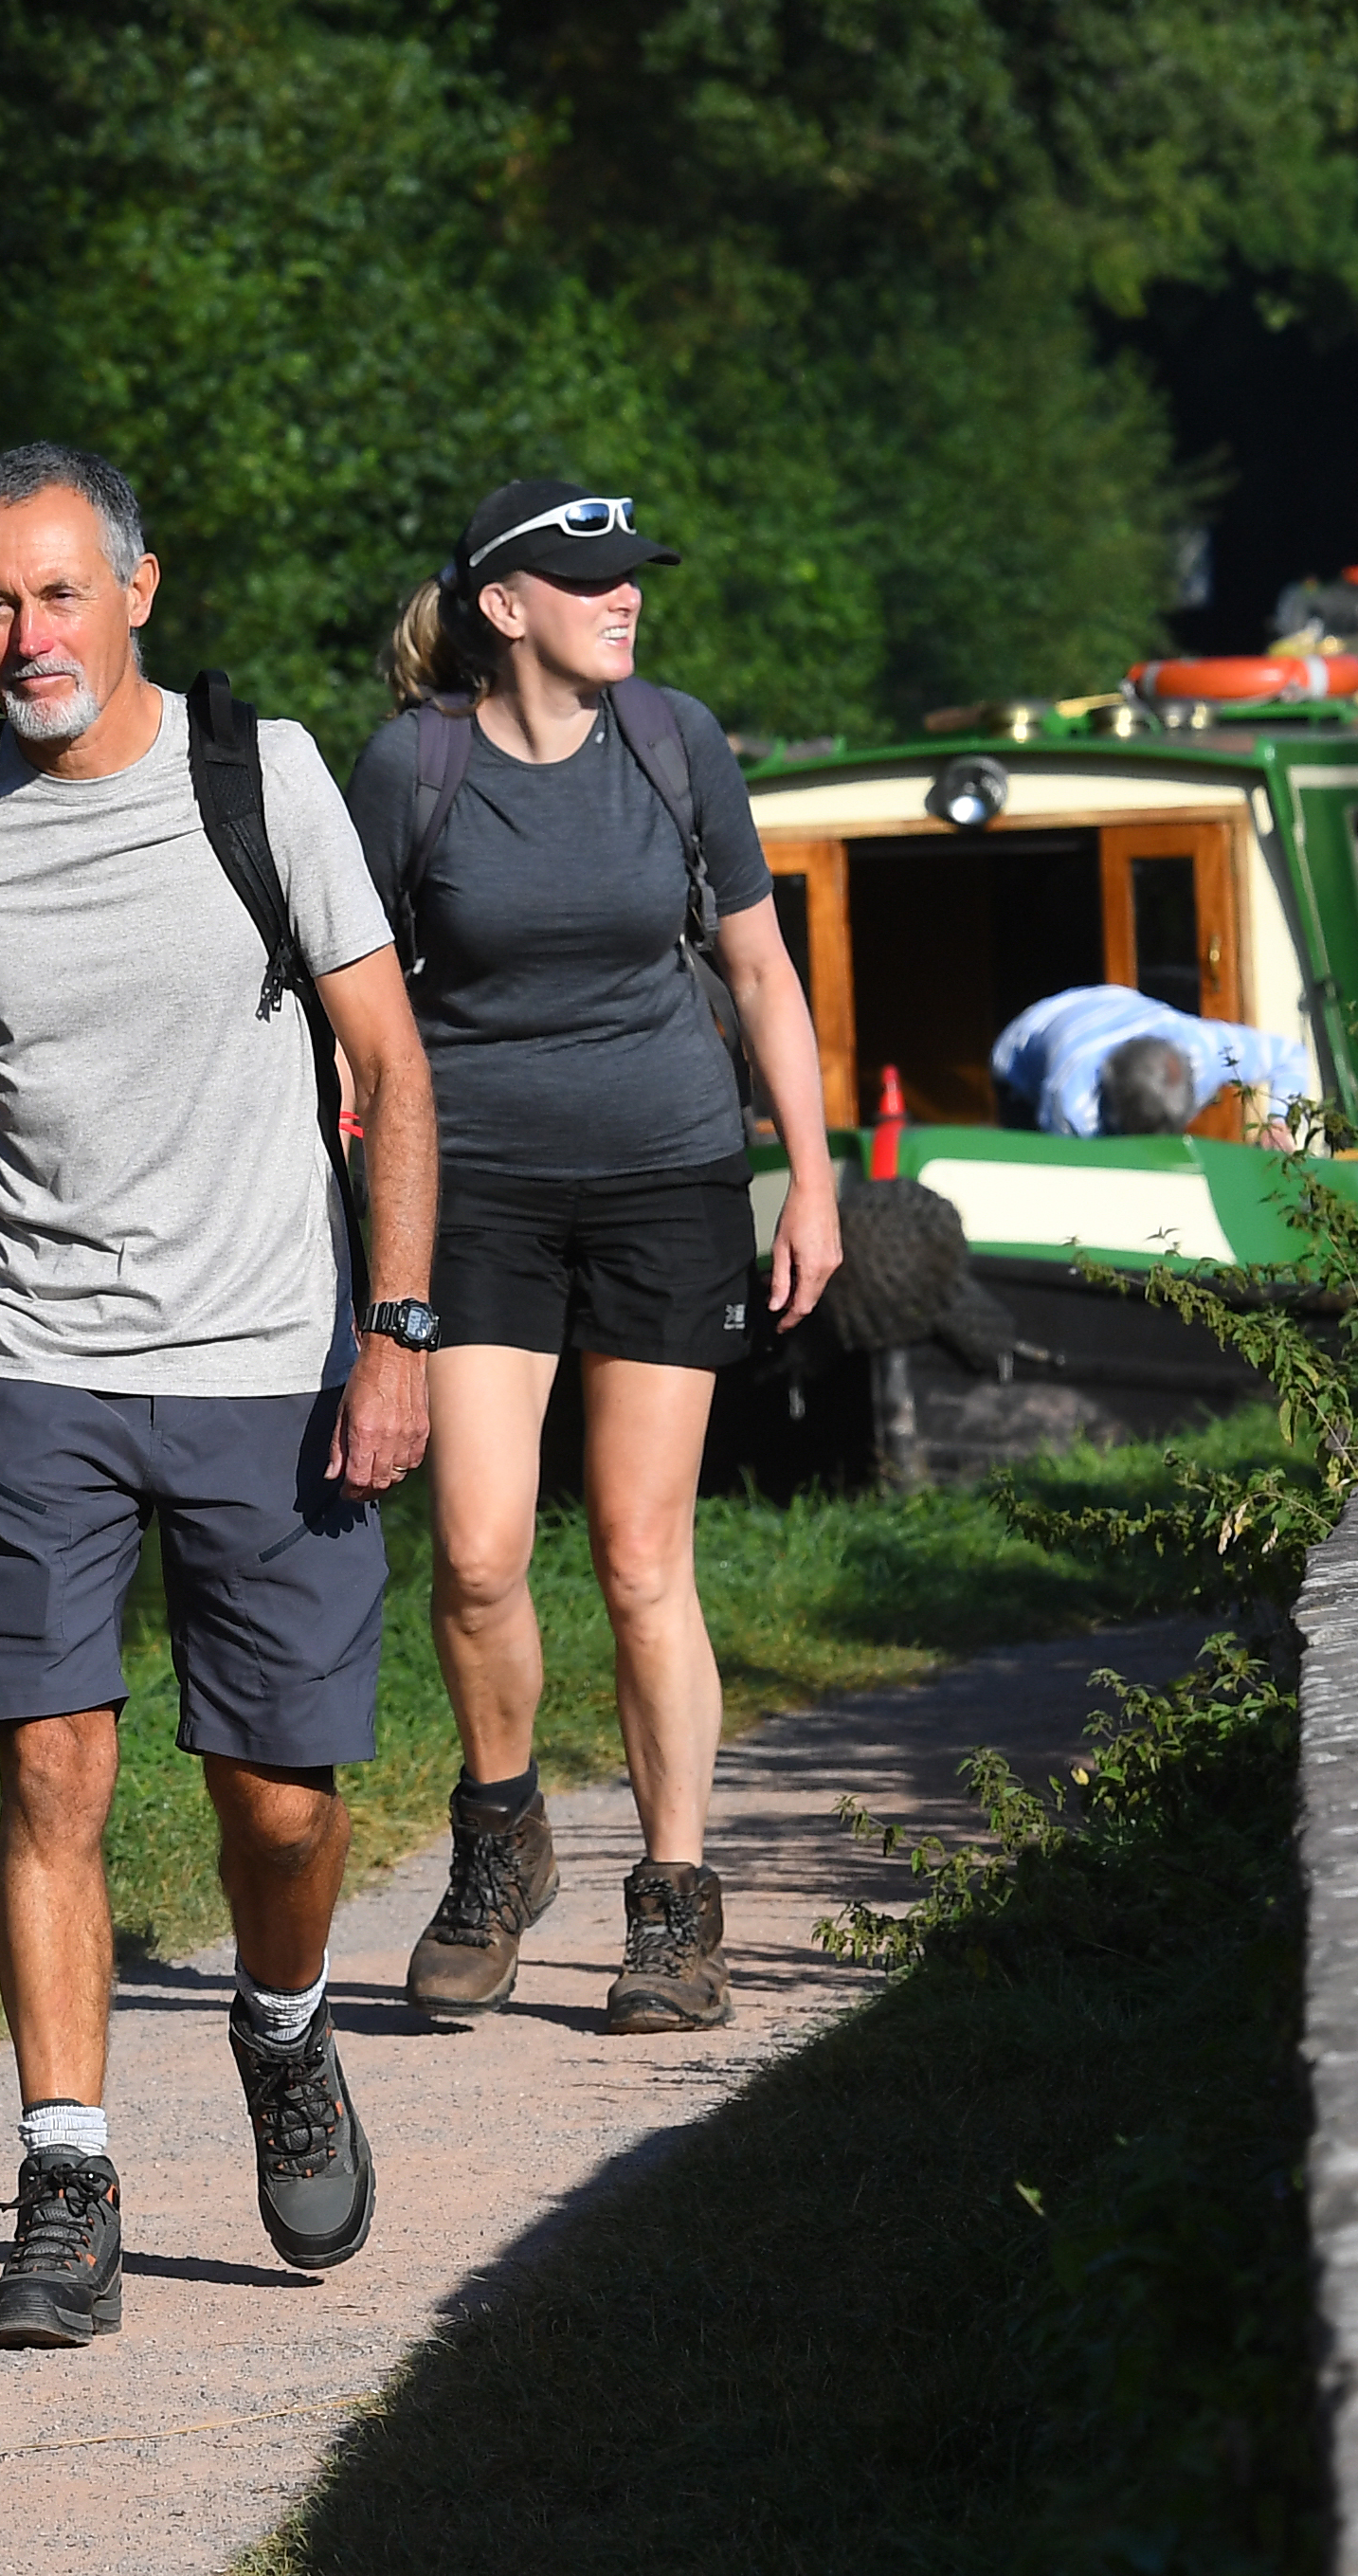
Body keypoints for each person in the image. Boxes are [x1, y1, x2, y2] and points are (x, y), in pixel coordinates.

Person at [0, 442, 442, 2350]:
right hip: (39, 1366)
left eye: (60, 592)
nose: (28, 635)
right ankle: (66, 2180)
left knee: (275, 1810)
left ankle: (281, 2024)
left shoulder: (260, 779)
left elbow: (389, 1071)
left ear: (137, 589)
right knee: (47, 1770)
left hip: (268, 1362)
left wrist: (397, 1333)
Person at [350, 481, 843, 2036]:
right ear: (506, 607)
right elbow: (350, 1012)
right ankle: (502, 1843)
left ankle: (675, 1904)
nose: (626, 599)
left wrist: (810, 1187)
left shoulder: (675, 740)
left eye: (634, 577)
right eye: (592, 581)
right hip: (475, 1190)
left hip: (667, 1179)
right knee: (482, 1552)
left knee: (642, 1557)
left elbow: (760, 970)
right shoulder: (413, 767)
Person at [989, 982, 1316, 1136]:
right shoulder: (1072, 1102)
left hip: (1112, 1003)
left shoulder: (1203, 1049)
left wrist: (1276, 1123)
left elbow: (1290, 1056)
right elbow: (1061, 1167)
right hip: (1023, 1051)